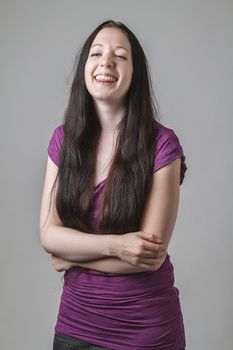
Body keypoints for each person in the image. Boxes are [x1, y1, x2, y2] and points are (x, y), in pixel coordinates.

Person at [39, 19, 187, 350]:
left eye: (120, 56)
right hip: (75, 326)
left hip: (147, 331)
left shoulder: (162, 145)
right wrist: (116, 246)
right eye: (96, 53)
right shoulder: (63, 141)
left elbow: (148, 257)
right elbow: (49, 235)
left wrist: (71, 255)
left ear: (135, 74)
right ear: (85, 68)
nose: (106, 62)